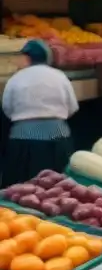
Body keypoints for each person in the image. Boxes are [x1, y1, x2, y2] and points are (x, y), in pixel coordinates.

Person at [1, 39, 78, 187]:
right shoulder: (60, 76)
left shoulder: (15, 79)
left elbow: (7, 109)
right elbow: (72, 107)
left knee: (23, 190)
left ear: (27, 58)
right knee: (59, 189)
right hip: (58, 138)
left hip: (23, 140)